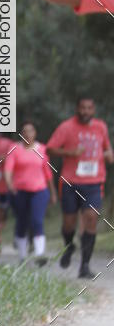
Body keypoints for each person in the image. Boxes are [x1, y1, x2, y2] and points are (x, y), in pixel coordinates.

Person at [45, 98, 113, 277]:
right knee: (69, 223)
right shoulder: (66, 127)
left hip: (94, 182)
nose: (85, 111)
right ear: (77, 109)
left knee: (91, 218)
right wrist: (70, 152)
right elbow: (50, 149)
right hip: (70, 182)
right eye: (82, 108)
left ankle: (85, 266)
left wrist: (108, 155)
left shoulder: (101, 127)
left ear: (94, 110)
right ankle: (69, 246)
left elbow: (107, 148)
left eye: (89, 108)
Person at [3, 122, 56, 265]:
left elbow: (48, 173)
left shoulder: (42, 149)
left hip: (39, 190)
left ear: (35, 133)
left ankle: (40, 254)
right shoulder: (14, 149)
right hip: (19, 191)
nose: (27, 134)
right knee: (22, 222)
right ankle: (22, 256)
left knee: (37, 221)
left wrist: (53, 193)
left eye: (30, 131)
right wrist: (9, 185)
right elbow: (8, 169)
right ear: (21, 134)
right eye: (24, 131)